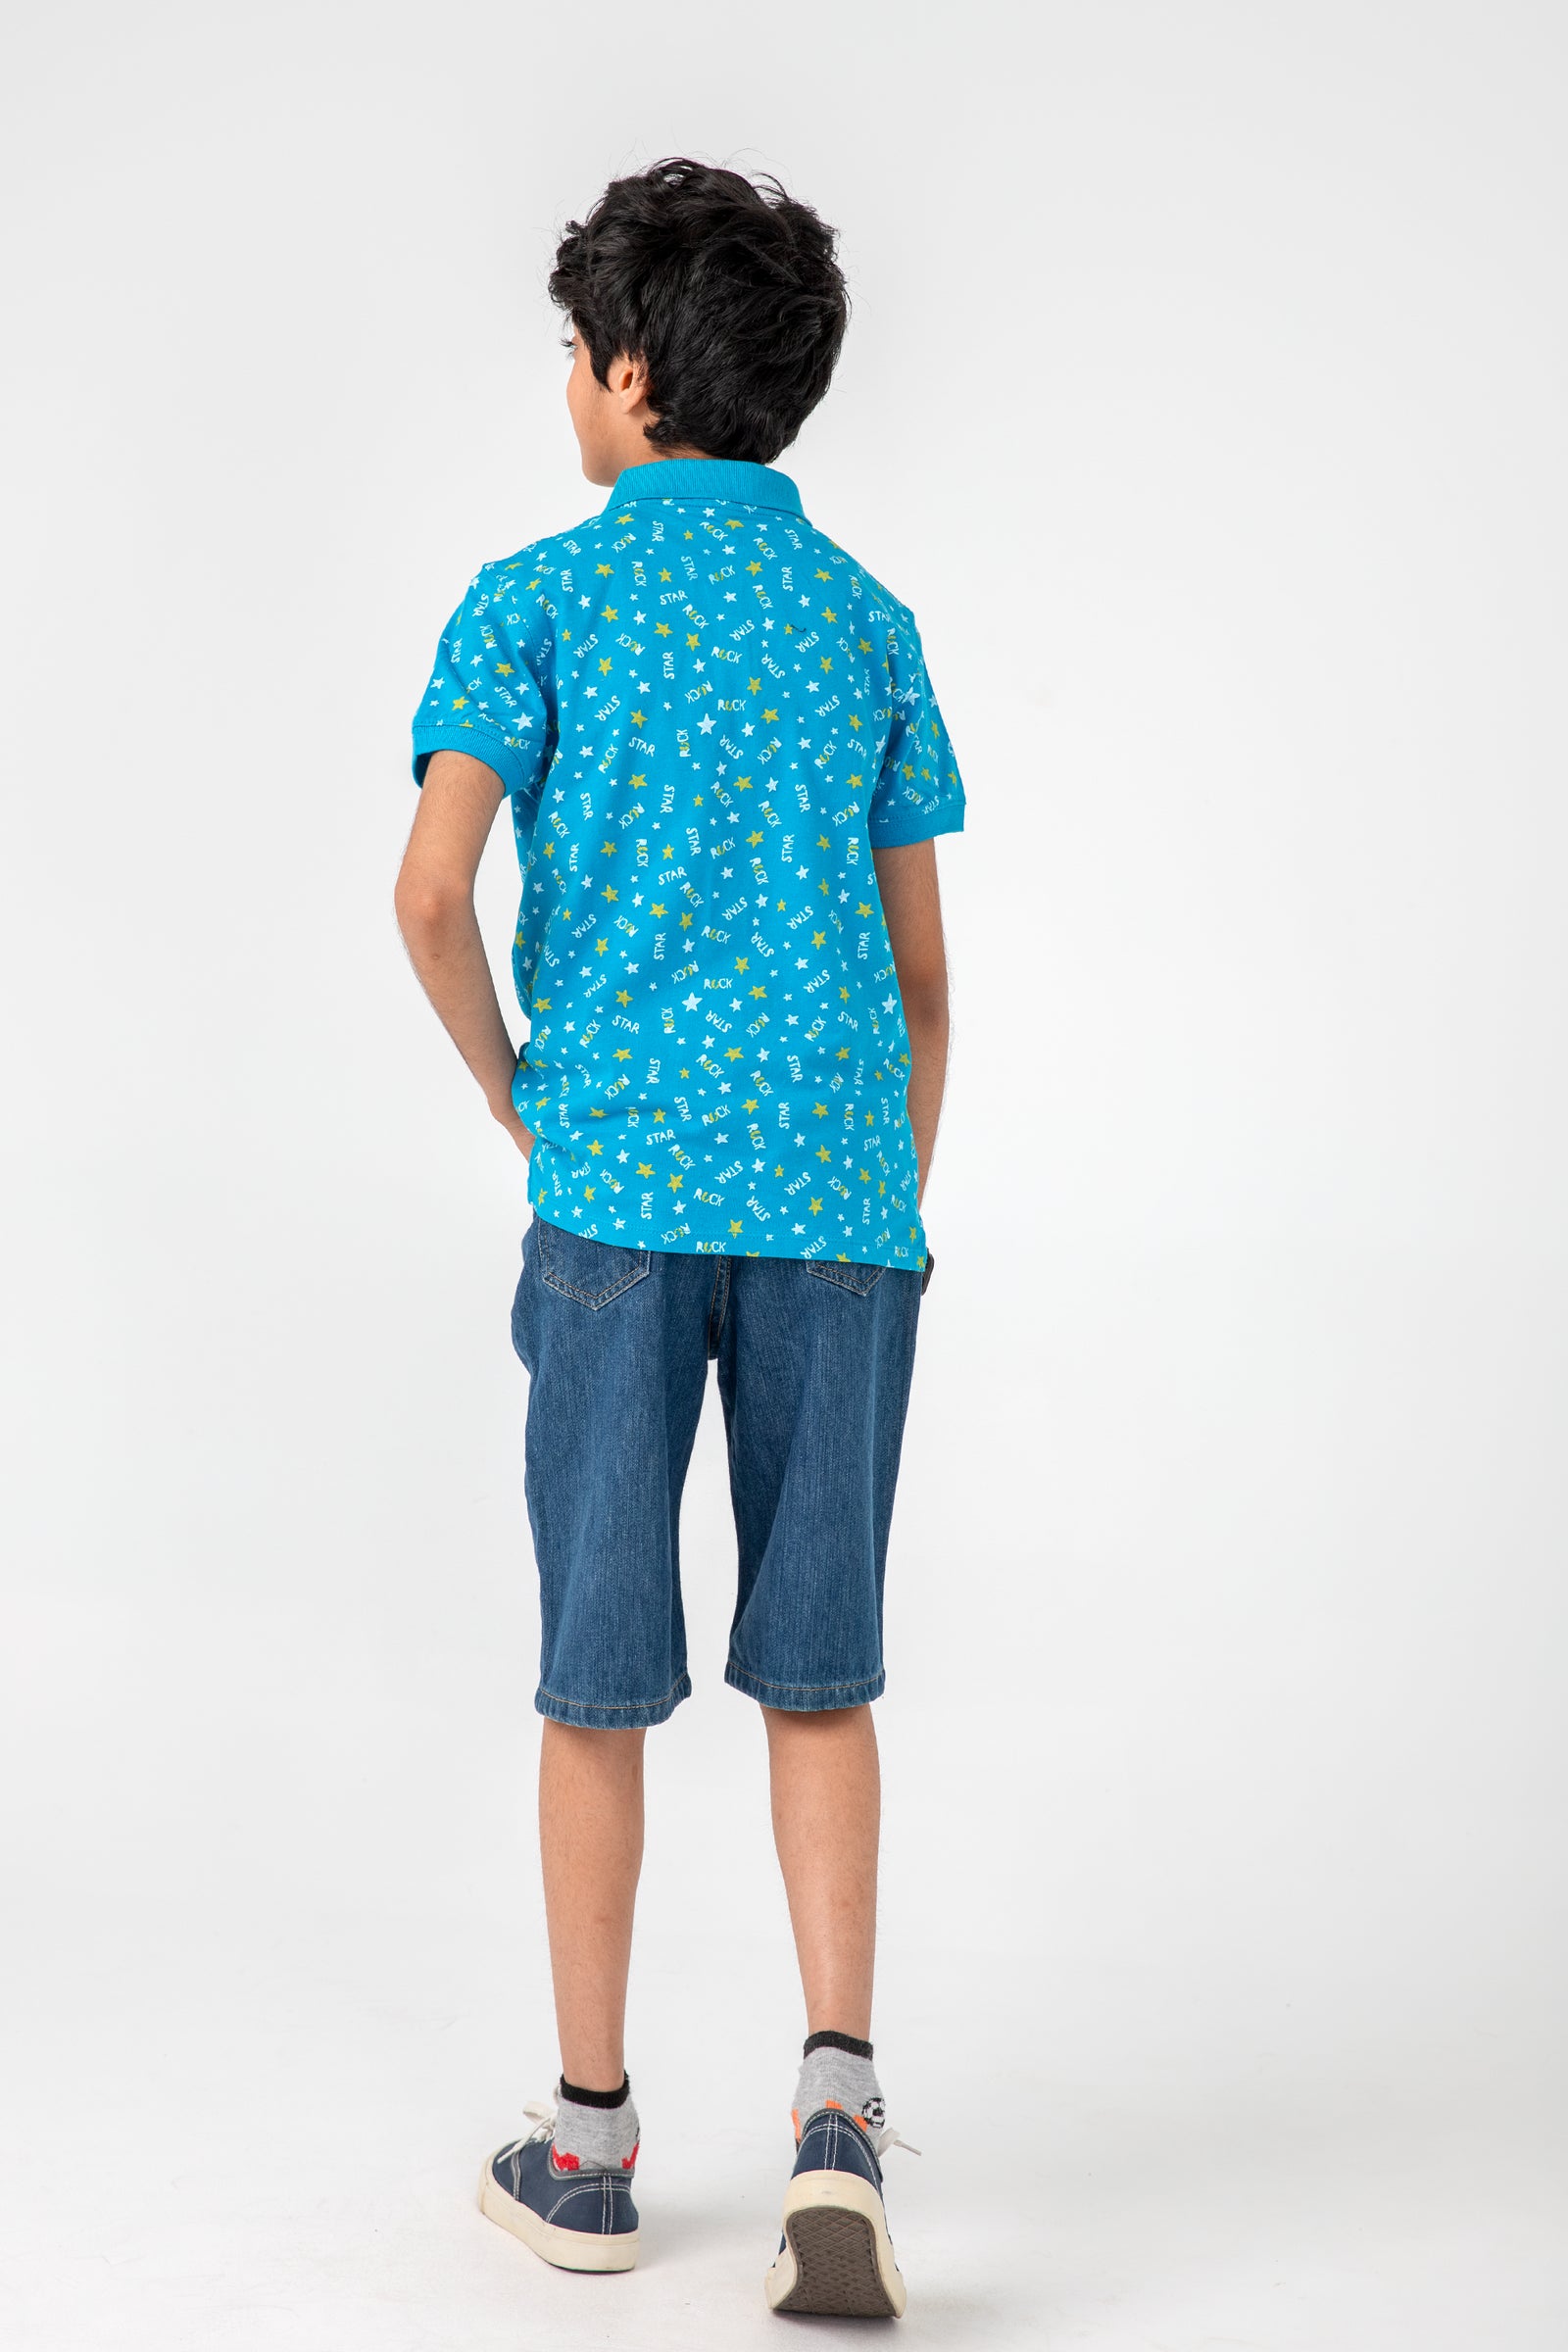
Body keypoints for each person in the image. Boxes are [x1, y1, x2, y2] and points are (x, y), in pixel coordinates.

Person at [394, 157, 963, 2321]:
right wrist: (877, 1191)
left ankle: (590, 2143)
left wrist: (517, 1091)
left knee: (598, 1682)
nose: (567, 381)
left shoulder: (532, 601)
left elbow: (429, 895)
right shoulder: (864, 619)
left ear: (630, 373)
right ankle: (837, 2118)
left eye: (574, 348)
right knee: (821, 1677)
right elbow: (924, 981)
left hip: (614, 1211)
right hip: (837, 1216)